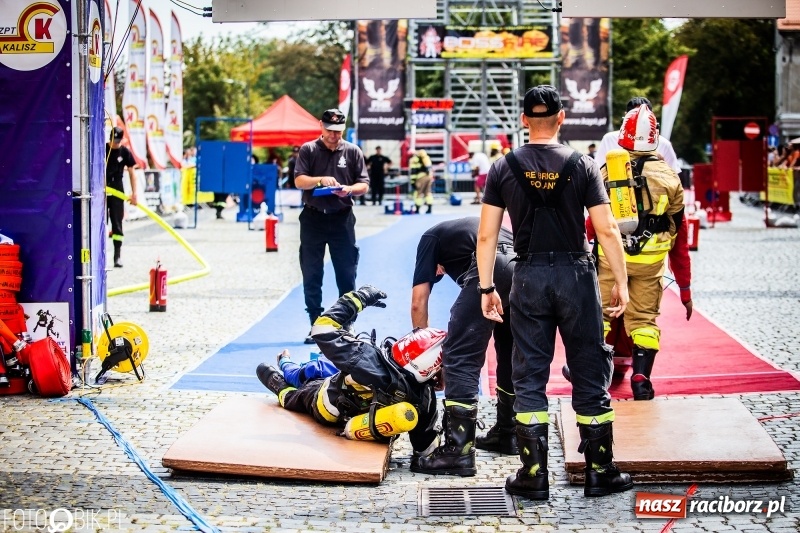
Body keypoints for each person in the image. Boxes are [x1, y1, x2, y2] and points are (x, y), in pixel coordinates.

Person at [476, 85, 632, 500]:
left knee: (529, 373)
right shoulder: (583, 164)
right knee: (587, 366)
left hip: (526, 277)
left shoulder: (502, 166)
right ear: (561, 118)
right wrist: (621, 280)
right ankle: (601, 470)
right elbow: (607, 228)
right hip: (576, 276)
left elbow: (487, 235)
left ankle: (533, 474)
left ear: (524, 119)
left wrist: (487, 286)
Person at [256, 285, 441, 464]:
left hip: (325, 405)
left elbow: (321, 328)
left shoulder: (367, 359)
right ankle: (285, 365)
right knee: (309, 377)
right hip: (363, 424)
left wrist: (360, 297)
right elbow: (424, 450)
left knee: (292, 397)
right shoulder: (425, 397)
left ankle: (278, 377)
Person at [592, 104, 692, 400]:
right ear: (655, 139)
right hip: (651, 262)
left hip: (611, 259)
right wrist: (685, 288)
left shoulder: (606, 173)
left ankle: (594, 375)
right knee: (644, 320)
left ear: (623, 136)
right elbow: (681, 233)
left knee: (601, 315)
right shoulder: (670, 178)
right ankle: (640, 379)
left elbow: (590, 222)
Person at [409, 217, 517, 478]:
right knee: (509, 348)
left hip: (491, 267)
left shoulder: (429, 239)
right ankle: (508, 432)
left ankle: (459, 452)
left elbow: (418, 302)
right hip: (521, 267)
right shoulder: (460, 235)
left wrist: (426, 357)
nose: (439, 275)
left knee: (459, 354)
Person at [294, 109, 370, 344]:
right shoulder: (308, 149)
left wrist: (348, 189)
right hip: (313, 218)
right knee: (312, 272)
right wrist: (319, 179)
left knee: (346, 273)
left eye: (338, 132)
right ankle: (315, 323)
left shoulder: (352, 151)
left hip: (342, 218)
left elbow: (364, 184)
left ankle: (345, 323)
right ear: (321, 126)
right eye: (329, 131)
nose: (333, 136)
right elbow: (298, 181)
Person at [595, 97, 681, 173]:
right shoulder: (609, 139)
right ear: (626, 117)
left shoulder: (664, 144)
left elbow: (673, 175)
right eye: (635, 115)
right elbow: (598, 170)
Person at [105, 126, 138, 268]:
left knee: (117, 224)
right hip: (102, 187)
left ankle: (117, 257)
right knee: (97, 222)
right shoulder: (102, 149)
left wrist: (134, 193)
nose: (115, 143)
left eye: (117, 141)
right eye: (113, 140)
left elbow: (132, 173)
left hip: (117, 188)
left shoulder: (124, 152)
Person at [408, 148, 434, 214]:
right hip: (428, 177)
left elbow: (413, 172)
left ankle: (417, 209)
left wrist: (413, 182)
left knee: (418, 193)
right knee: (427, 192)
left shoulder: (414, 159)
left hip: (420, 178)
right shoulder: (425, 157)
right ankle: (429, 208)